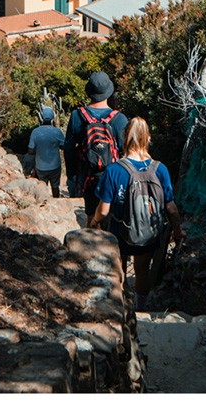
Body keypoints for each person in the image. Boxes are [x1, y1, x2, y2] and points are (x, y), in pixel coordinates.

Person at [89, 117, 184, 311]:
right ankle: (141, 308)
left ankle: (122, 308)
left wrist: (94, 224)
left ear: (124, 138)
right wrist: (177, 230)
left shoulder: (114, 170)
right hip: (148, 234)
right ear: (148, 138)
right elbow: (171, 208)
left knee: (119, 271)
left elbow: (104, 209)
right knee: (142, 272)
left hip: (119, 231)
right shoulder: (160, 169)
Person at [64, 71, 128, 221]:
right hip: (112, 176)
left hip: (88, 175)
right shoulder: (119, 119)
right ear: (108, 92)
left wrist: (71, 175)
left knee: (92, 217)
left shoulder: (77, 116)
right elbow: (126, 150)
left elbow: (68, 148)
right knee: (112, 218)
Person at [27, 107, 65, 197]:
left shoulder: (35, 132)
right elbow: (64, 146)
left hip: (40, 167)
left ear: (41, 118)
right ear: (53, 118)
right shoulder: (57, 132)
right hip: (55, 166)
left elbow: (30, 151)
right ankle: (56, 201)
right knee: (55, 186)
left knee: (43, 188)